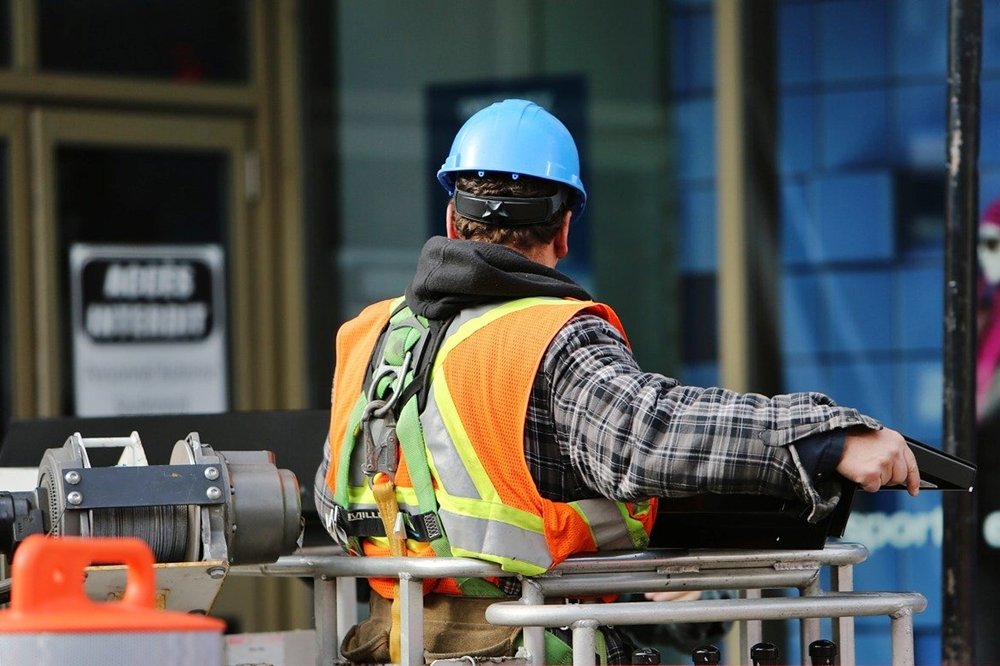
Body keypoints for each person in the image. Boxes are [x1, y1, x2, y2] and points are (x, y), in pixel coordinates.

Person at [314, 98, 920, 664]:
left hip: (396, 644)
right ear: (565, 228)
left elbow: (334, 492)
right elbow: (647, 435)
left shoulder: (369, 336)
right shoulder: (548, 336)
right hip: (525, 644)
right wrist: (827, 438)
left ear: (451, 216)